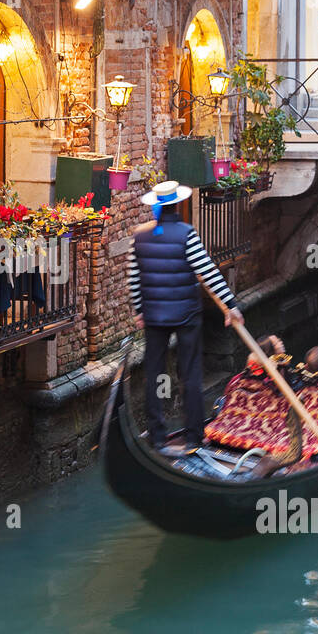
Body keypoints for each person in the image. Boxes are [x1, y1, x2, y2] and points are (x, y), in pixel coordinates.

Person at [128, 179, 243, 456]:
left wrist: (139, 310)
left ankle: (157, 437)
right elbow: (208, 272)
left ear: (156, 205)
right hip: (186, 315)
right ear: (177, 204)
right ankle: (193, 437)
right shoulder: (186, 234)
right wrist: (230, 305)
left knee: (154, 375)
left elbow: (133, 279)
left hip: (154, 316)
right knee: (190, 374)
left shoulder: (139, 236)